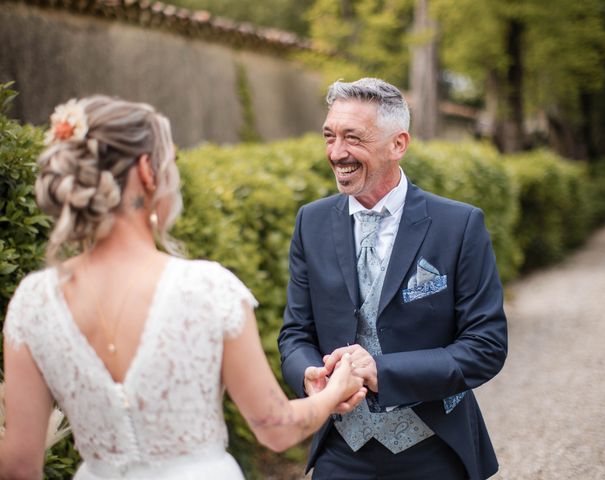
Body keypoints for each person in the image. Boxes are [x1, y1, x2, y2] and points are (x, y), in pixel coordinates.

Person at [0, 95, 366, 480]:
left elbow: (20, 467)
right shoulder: (207, 289)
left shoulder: (34, 300)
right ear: (146, 170)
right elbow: (276, 428)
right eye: (168, 161)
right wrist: (334, 391)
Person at [278, 78, 508, 480]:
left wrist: (382, 371)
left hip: (434, 447)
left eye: (353, 138)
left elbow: (485, 346)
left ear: (398, 144)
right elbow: (295, 333)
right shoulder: (310, 222)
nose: (336, 153)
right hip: (341, 450)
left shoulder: (458, 225)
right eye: (329, 136)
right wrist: (309, 374)